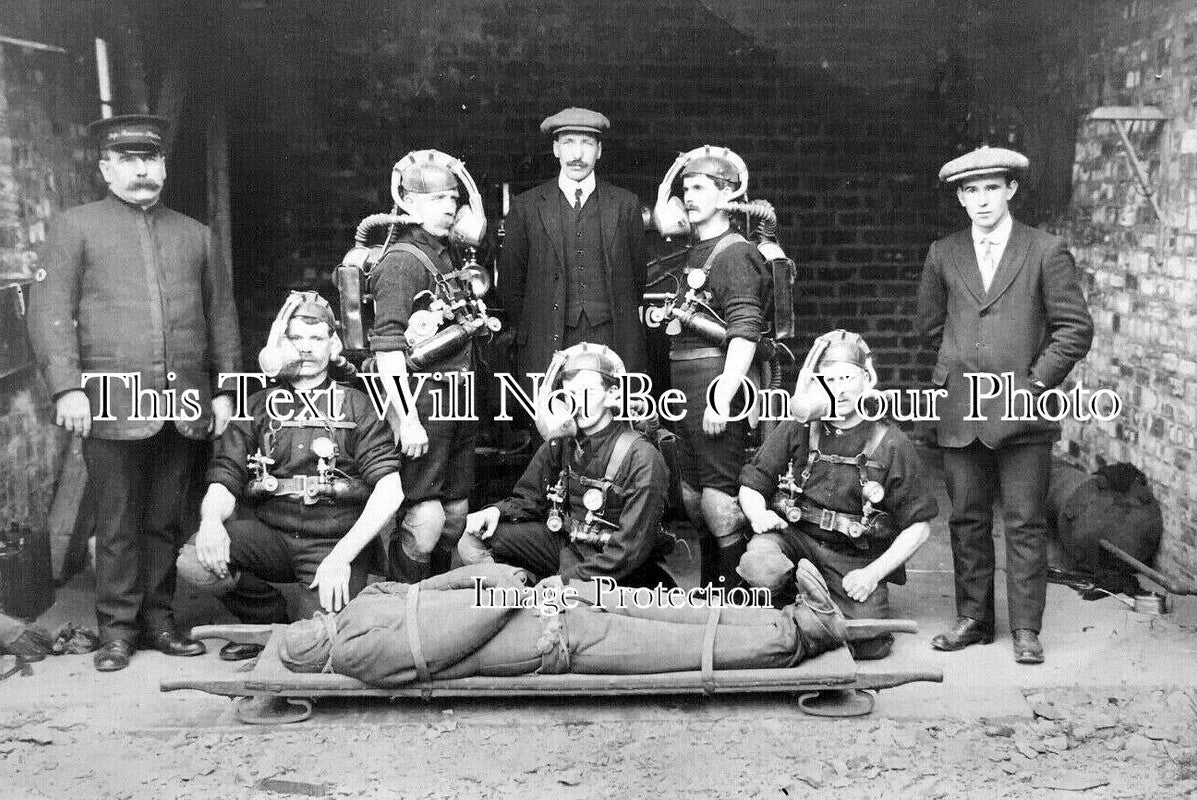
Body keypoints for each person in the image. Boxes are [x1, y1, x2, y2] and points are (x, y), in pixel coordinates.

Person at [26, 114, 242, 672]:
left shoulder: (196, 235)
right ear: (105, 168)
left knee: (166, 519)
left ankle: (160, 620)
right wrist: (67, 389)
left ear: (164, 166)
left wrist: (224, 390)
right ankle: (116, 630)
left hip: (184, 401)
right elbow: (51, 315)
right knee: (116, 520)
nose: (142, 169)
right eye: (128, 160)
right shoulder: (76, 227)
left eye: (151, 159)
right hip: (107, 399)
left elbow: (222, 314)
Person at [916, 146, 1093, 664]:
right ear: (960, 198)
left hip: (1023, 411)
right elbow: (929, 325)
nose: (982, 200)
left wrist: (1034, 384)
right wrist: (961, 365)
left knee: (1023, 521)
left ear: (1011, 190)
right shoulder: (943, 252)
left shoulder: (1045, 249)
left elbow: (1074, 329)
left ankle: (1026, 630)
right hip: (960, 409)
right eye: (971, 191)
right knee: (967, 518)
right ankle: (973, 619)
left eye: (992, 188)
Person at [176, 293, 401, 661]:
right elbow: (226, 476)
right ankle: (265, 620)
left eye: (316, 339)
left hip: (332, 542)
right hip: (273, 537)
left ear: (333, 344)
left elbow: (390, 491)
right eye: (297, 338)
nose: (307, 348)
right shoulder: (259, 405)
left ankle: (300, 628)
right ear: (283, 344)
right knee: (194, 560)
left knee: (312, 651)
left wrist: (343, 557)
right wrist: (212, 520)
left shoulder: (357, 405)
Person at [276, 561, 848, 685]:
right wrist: (502, 595)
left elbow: (426, 590)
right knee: (677, 643)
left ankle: (781, 613)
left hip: (541, 602)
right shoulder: (355, 656)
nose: (310, 624)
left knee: (669, 604)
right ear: (315, 656)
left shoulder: (359, 606)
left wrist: (495, 574)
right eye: (304, 636)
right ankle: (804, 635)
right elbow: (439, 650)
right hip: (551, 636)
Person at [735, 330, 939, 660]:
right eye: (829, 379)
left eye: (847, 377)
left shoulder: (891, 442)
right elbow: (752, 484)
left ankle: (807, 614)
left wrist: (873, 574)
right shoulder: (799, 427)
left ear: (866, 380)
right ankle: (798, 602)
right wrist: (758, 514)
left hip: (852, 556)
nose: (839, 389)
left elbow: (920, 527)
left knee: (869, 642)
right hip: (796, 541)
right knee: (762, 565)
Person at [457, 343, 673, 588]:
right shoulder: (561, 444)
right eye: (570, 394)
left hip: (617, 568)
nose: (576, 404)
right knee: (474, 540)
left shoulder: (642, 457)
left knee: (575, 600)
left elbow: (629, 551)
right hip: (569, 546)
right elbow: (528, 498)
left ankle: (554, 600)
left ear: (613, 394)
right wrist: (494, 511)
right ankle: (526, 600)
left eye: (587, 392)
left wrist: (569, 581)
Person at [659, 146, 772, 591]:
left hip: (713, 384)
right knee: (692, 497)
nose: (689, 197)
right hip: (685, 383)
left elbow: (746, 329)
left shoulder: (735, 253)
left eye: (700, 188)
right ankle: (712, 593)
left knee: (720, 500)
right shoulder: (697, 251)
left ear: (728, 194)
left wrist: (723, 394)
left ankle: (732, 599)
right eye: (685, 188)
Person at [368, 150, 483, 583]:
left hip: (458, 398)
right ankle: (403, 609)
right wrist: (407, 418)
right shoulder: (401, 262)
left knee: (455, 514)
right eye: (437, 199)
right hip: (425, 404)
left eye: (453, 198)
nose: (450, 207)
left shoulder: (449, 256)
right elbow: (388, 351)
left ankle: (433, 605)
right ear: (410, 205)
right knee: (426, 518)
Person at [498, 107, 648, 383]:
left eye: (587, 143)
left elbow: (638, 279)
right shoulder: (527, 207)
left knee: (611, 421)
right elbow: (510, 284)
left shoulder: (625, 205)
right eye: (569, 143)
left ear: (599, 150)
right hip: (549, 341)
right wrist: (538, 325)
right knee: (554, 422)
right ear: (556, 149)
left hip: (612, 339)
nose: (577, 155)